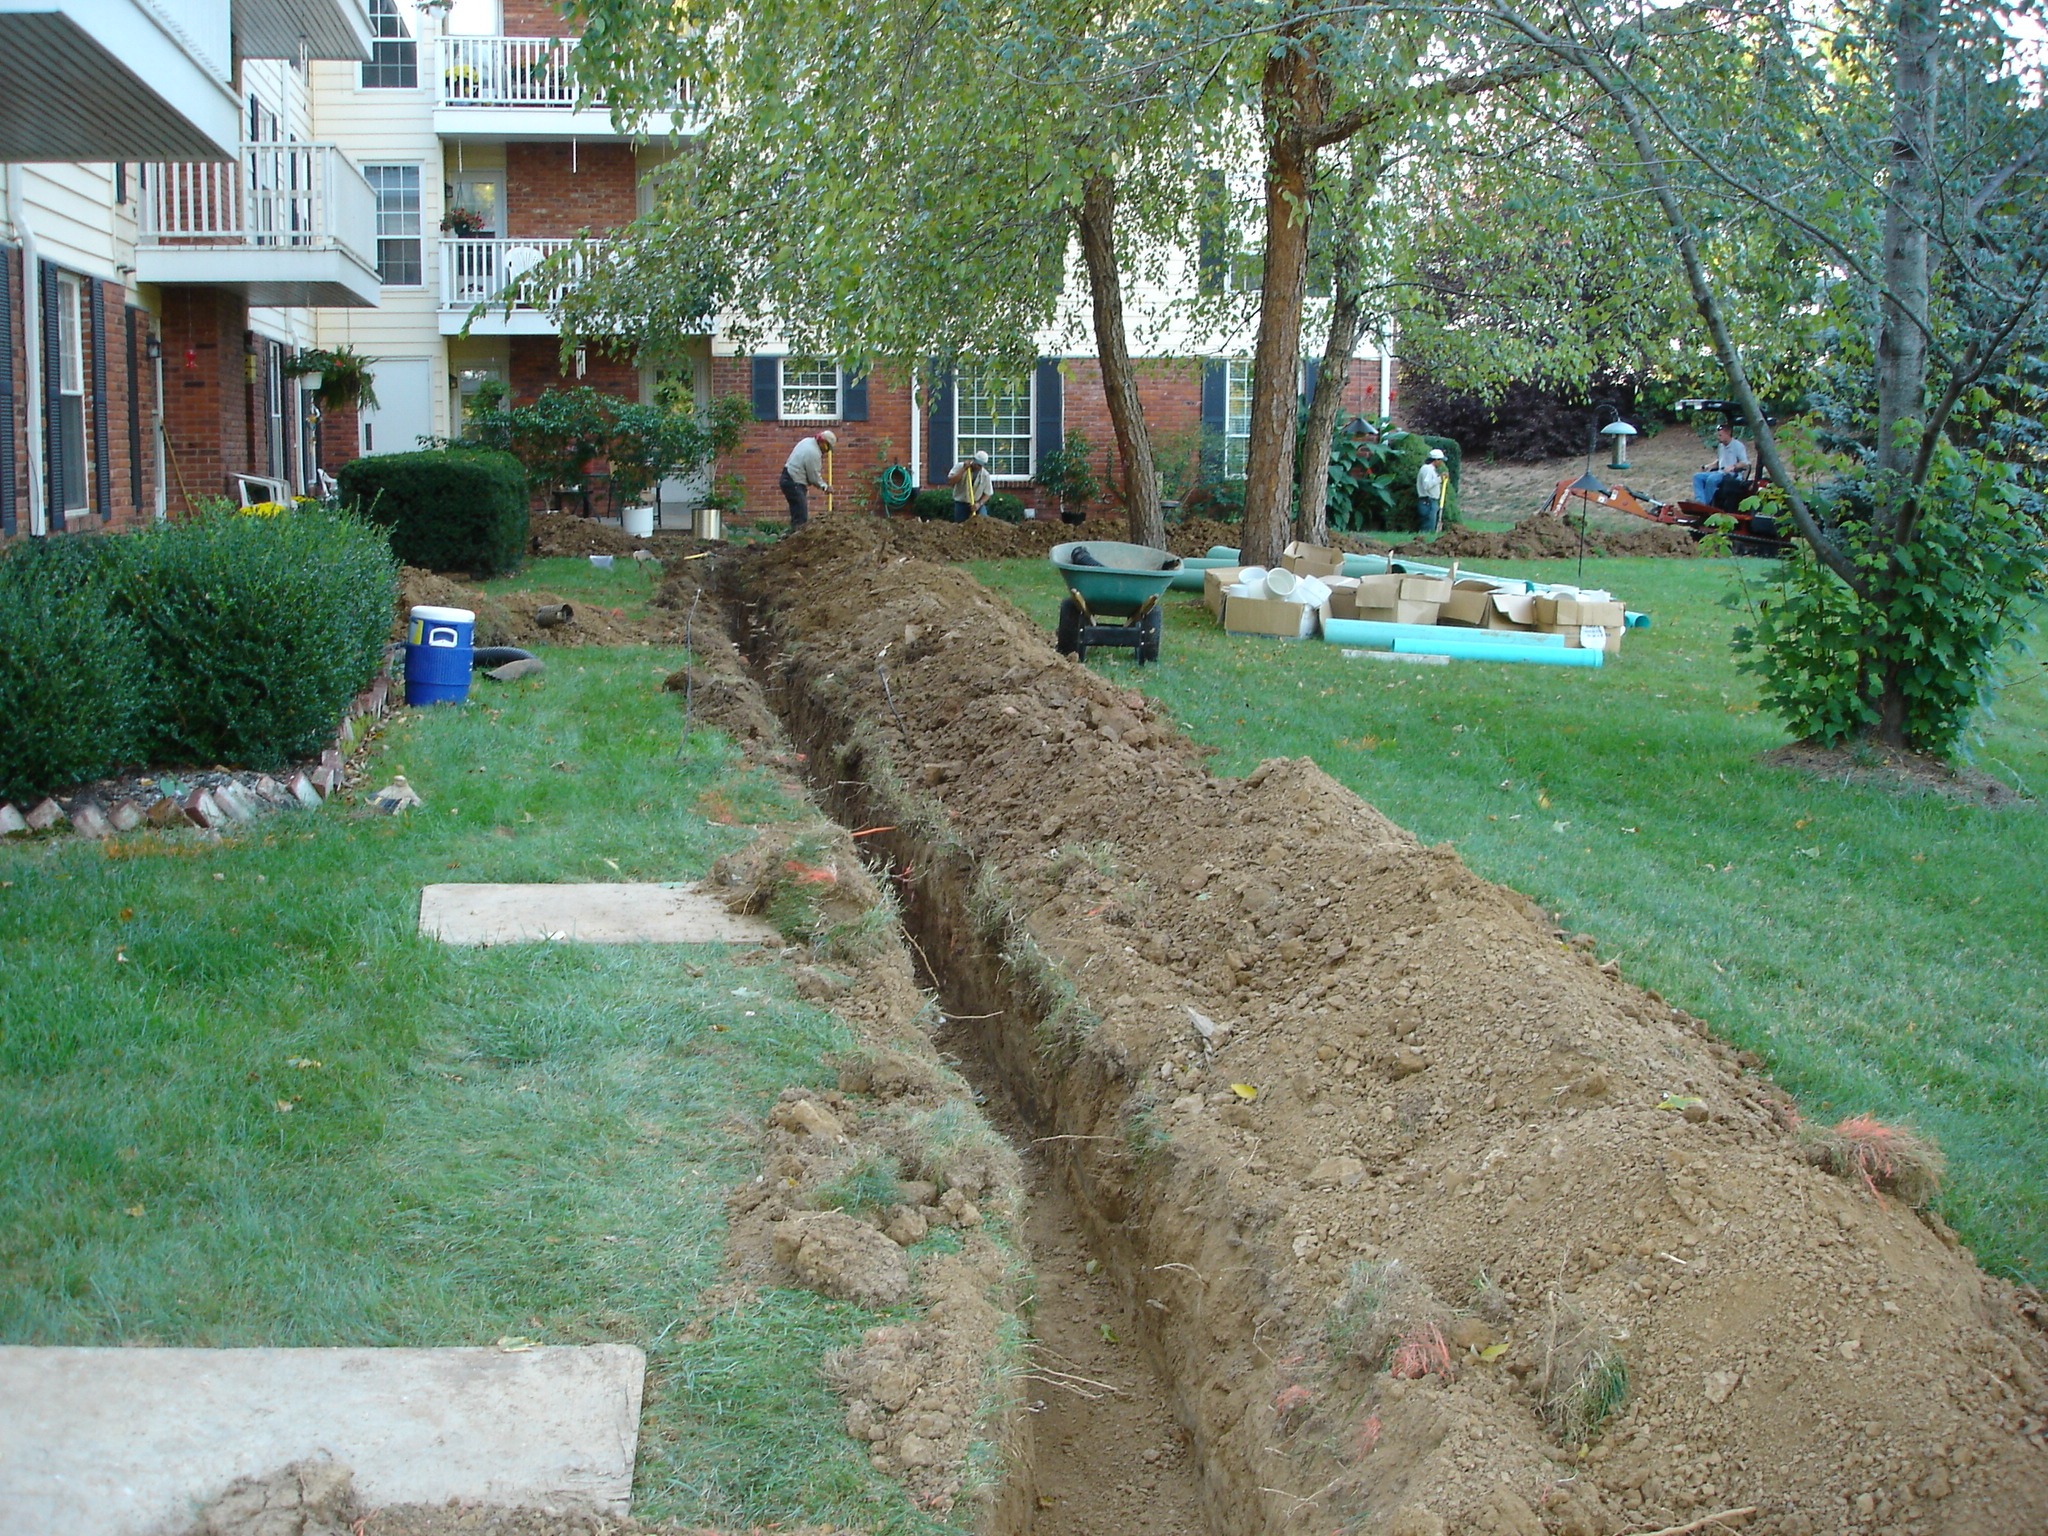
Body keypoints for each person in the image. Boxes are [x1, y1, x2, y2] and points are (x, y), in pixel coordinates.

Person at [779, 429, 836, 530]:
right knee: (801, 516)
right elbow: (813, 477)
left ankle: (792, 537)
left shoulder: (807, 441)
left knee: (797, 513)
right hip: (794, 481)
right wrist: (825, 487)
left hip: (788, 478)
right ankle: (797, 539)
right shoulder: (813, 452)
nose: (826, 452)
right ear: (823, 443)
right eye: (827, 448)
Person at [1692, 424, 1752, 505]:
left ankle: (1706, 504)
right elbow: (1720, 460)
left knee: (1711, 479)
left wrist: (1733, 467)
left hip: (1730, 475)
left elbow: (1744, 463)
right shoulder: (1721, 446)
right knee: (1697, 476)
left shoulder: (1738, 446)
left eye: (1720, 435)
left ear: (1728, 433)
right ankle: (1700, 501)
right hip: (1720, 472)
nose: (1718, 437)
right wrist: (1709, 466)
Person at [949, 450, 992, 522]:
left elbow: (988, 493)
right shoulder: (960, 466)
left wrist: (979, 504)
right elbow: (951, 481)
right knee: (960, 526)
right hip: (961, 503)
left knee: (983, 522)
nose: (977, 467)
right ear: (973, 460)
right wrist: (963, 469)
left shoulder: (985, 475)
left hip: (976, 504)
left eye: (980, 465)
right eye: (976, 464)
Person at [1415, 448, 1448, 534]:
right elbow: (1427, 485)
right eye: (1440, 460)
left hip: (1430, 502)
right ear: (1436, 460)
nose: (1441, 463)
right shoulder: (1427, 469)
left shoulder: (1430, 469)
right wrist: (1439, 478)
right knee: (1427, 529)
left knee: (1430, 528)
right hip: (1427, 502)